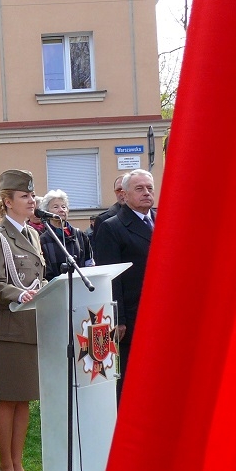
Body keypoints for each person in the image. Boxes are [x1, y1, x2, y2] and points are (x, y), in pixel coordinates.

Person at [0, 169, 45, 471]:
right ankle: (5, 467)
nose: (32, 200)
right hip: (7, 330)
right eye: (25, 196)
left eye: (32, 195)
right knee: (7, 401)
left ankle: (18, 463)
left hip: (30, 329)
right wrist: (17, 293)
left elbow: (38, 279)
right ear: (8, 202)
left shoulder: (32, 234)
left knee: (24, 402)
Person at [91, 168, 156, 402]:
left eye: (149, 188)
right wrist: (117, 318)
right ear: (124, 195)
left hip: (160, 311)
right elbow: (111, 276)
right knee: (131, 376)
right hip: (132, 312)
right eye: (139, 189)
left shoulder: (162, 219)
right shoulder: (112, 227)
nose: (146, 193)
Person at [36, 190, 94, 280]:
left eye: (64, 207)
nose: (61, 210)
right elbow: (45, 272)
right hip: (57, 289)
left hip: (80, 285)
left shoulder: (79, 235)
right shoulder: (43, 239)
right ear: (47, 212)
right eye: (56, 207)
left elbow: (89, 262)